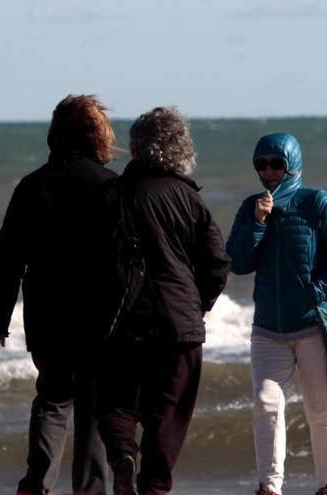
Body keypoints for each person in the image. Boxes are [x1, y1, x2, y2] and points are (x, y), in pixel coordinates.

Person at [0, 95, 116, 495]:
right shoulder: (110, 186)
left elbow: (6, 259)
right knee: (92, 408)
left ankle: (36, 484)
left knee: (53, 399)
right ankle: (90, 490)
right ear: (96, 136)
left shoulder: (32, 186)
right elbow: (127, 260)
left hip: (47, 318)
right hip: (99, 318)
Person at [95, 107, 230, 495]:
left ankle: (122, 452)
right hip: (179, 324)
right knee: (167, 416)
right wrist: (198, 303)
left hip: (124, 320)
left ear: (135, 147)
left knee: (117, 402)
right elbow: (217, 262)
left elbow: (92, 259)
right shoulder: (190, 199)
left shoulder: (112, 193)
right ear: (181, 150)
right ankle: (154, 486)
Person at [226, 133, 327, 495]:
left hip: (313, 326)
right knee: (266, 405)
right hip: (268, 328)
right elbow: (237, 263)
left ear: (292, 165)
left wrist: (315, 293)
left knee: (322, 409)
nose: (268, 172)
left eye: (276, 164)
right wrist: (256, 222)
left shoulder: (315, 202)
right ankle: (270, 487)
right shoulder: (252, 207)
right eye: (262, 165)